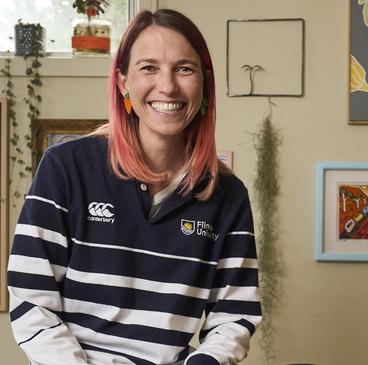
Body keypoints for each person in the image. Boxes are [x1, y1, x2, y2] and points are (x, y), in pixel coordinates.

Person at [7, 9, 261, 365]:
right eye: (148, 67)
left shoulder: (228, 196)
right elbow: (31, 300)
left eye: (184, 68)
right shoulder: (65, 168)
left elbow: (233, 317)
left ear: (204, 84)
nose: (168, 86)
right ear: (123, 81)